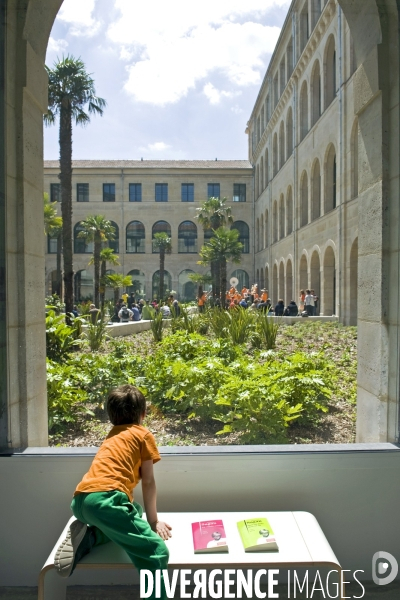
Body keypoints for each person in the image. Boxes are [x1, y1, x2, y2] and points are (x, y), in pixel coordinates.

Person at [54, 385, 171, 600]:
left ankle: (90, 539)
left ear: (111, 416)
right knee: (157, 552)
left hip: (81, 502)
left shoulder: (112, 435)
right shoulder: (143, 435)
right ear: (143, 413)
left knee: (134, 509)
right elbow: (148, 482)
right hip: (107, 501)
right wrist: (154, 522)